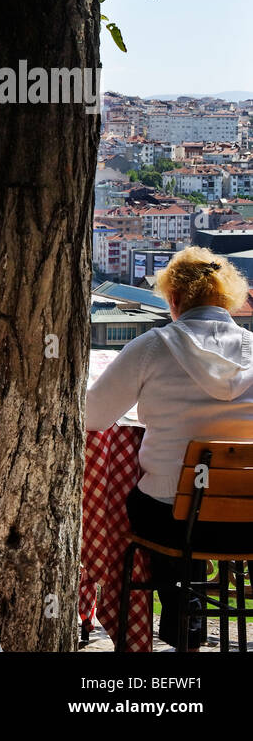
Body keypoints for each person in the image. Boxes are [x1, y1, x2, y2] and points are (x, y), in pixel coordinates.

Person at [87, 246, 253, 650]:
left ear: (174, 299)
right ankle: (189, 620)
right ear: (228, 298)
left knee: (151, 500)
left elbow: (92, 417)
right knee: (191, 503)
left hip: (172, 518)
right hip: (247, 517)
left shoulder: (151, 347)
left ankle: (176, 612)